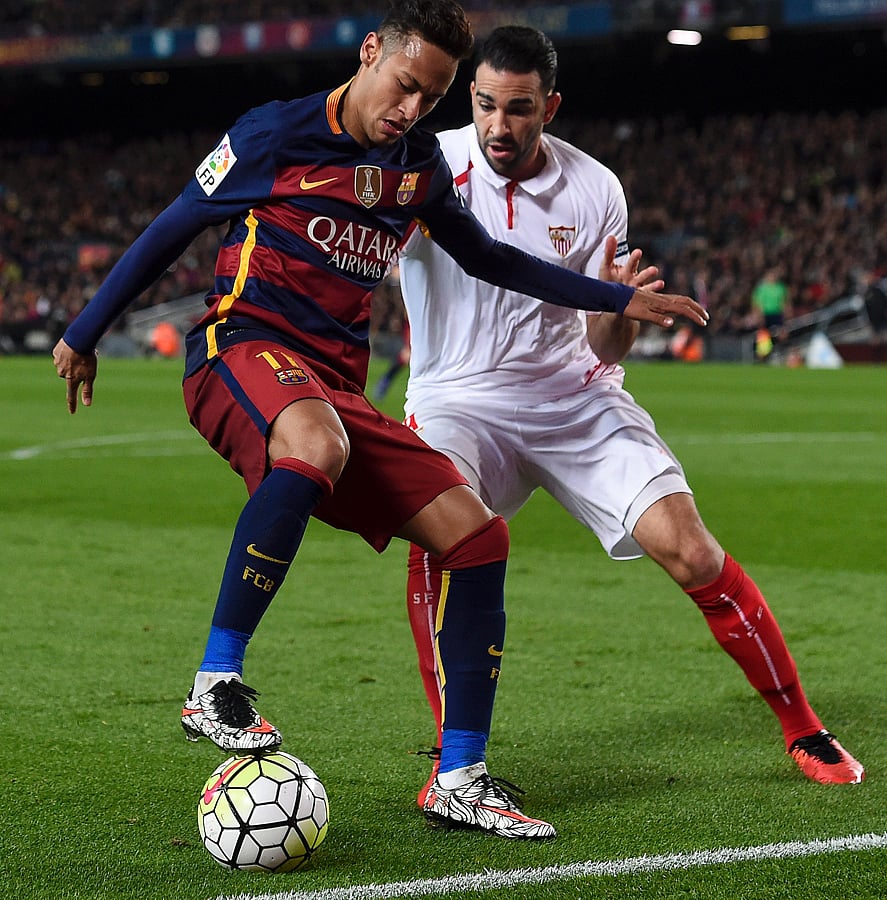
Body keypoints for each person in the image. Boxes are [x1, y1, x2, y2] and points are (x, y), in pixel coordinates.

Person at [50, 1, 707, 841]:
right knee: (315, 441)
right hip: (241, 345)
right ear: (369, 53)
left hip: (333, 387)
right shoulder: (272, 134)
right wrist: (83, 333)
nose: (410, 109)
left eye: (430, 97)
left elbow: (489, 257)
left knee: (477, 536)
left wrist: (613, 296)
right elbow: (172, 226)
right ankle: (215, 682)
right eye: (403, 85)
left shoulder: (417, 165)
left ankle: (458, 777)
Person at [397, 25, 864, 808]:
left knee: (691, 550)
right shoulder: (422, 163)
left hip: (574, 399)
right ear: (468, 97)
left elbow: (601, 340)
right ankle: (455, 764)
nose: (498, 126)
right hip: (456, 401)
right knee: (439, 538)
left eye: (518, 109)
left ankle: (802, 726)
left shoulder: (594, 187)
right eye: (484, 105)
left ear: (549, 106)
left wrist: (620, 313)